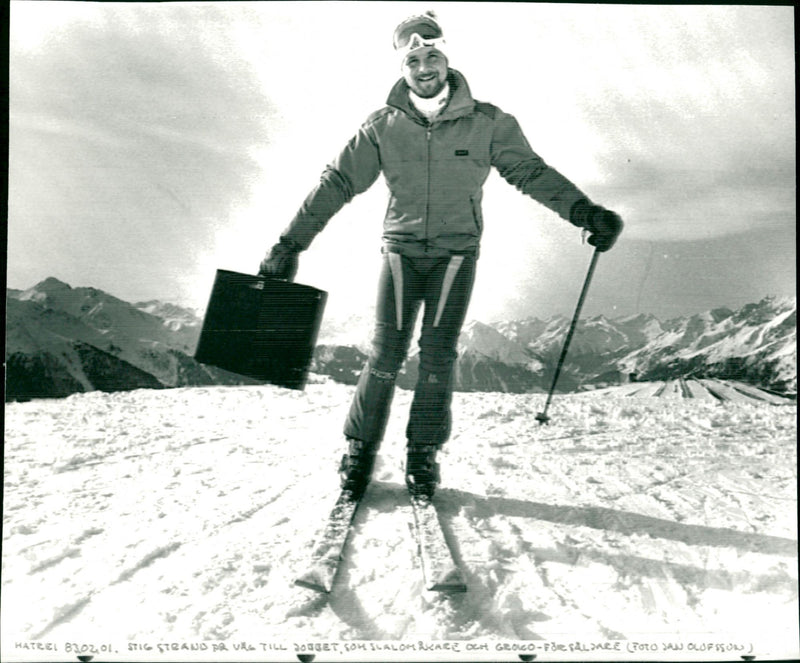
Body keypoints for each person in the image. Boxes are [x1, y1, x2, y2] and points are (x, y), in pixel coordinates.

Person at [259, 12, 623, 501]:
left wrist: (584, 211)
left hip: (457, 253)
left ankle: (422, 454)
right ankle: (359, 452)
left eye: (432, 56)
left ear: (447, 59)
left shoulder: (488, 122)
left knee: (438, 356)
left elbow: (530, 173)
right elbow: (338, 183)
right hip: (401, 251)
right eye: (413, 59)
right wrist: (289, 244)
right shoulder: (382, 127)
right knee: (385, 353)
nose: (424, 66)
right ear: (402, 67)